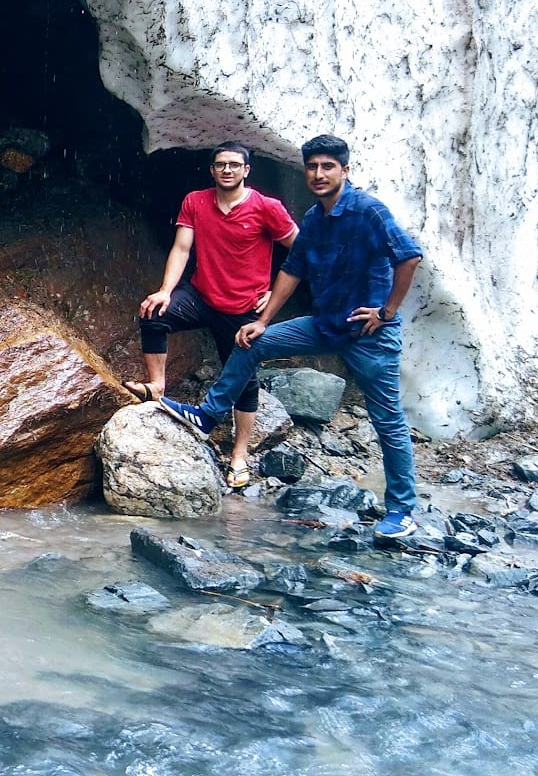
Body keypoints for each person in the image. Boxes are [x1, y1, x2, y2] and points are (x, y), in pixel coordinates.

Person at [161, 134, 425, 539]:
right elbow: (292, 270)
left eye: (328, 167)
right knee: (255, 342)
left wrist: (386, 311)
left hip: (369, 335)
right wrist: (264, 319)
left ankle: (402, 511)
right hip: (324, 324)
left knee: (387, 420)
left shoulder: (367, 210)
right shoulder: (316, 218)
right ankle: (209, 415)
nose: (318, 174)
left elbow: (408, 256)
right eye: (312, 167)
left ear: (345, 170)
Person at [127, 141, 297, 489]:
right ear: (212, 169)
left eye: (235, 165)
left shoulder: (267, 207)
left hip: (242, 310)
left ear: (247, 170)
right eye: (221, 165)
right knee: (153, 314)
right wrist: (165, 290)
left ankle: (239, 455)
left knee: (244, 383)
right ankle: (157, 387)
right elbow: (182, 247)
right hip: (201, 295)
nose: (227, 170)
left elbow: (301, 251)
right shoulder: (196, 200)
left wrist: (273, 294)